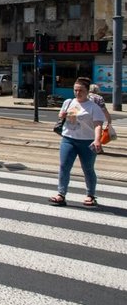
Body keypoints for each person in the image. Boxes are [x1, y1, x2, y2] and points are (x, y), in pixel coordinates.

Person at [50, 77, 105, 207]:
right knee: (64, 166)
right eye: (75, 90)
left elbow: (98, 125)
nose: (77, 93)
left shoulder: (93, 107)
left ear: (87, 91)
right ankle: (61, 194)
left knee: (88, 169)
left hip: (87, 141)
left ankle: (90, 195)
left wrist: (97, 140)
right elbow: (61, 116)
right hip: (68, 139)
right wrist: (62, 115)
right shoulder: (68, 102)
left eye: (80, 90)